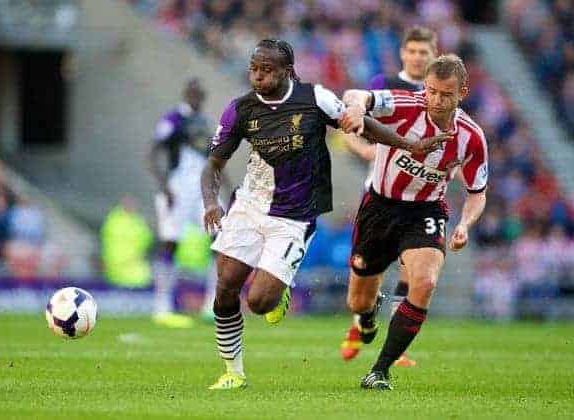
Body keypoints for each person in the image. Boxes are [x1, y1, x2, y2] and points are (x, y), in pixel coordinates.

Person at [201, 38, 449, 390]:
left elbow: (358, 123)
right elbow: (213, 163)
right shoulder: (240, 109)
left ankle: (279, 286)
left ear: (287, 71)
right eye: (254, 69)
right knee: (225, 288)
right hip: (249, 205)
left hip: (294, 215)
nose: (258, 76)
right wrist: (212, 201)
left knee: (258, 302)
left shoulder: (315, 98)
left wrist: (407, 144)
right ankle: (233, 372)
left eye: (267, 70)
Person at [339, 54, 488, 390]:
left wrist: (464, 223)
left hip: (425, 212)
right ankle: (366, 317)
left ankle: (380, 370)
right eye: (432, 91)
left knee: (425, 282)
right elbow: (355, 95)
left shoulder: (471, 137)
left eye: (446, 94)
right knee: (358, 300)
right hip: (379, 208)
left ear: (462, 93)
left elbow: (477, 192)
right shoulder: (404, 104)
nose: (437, 100)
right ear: (425, 87)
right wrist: (359, 109)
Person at [341, 26, 438, 367]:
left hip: (420, 199)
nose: (417, 57)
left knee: (412, 271)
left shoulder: (438, 94)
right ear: (402, 53)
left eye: (423, 52)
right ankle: (363, 318)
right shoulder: (384, 86)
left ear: (433, 56)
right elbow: (347, 122)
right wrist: (365, 149)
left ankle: (398, 350)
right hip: (380, 193)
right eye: (412, 51)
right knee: (366, 285)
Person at [148, 78, 217, 327]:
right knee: (170, 243)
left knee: (219, 239)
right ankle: (162, 306)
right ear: (186, 93)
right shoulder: (173, 119)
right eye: (193, 93)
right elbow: (152, 153)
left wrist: (227, 186)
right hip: (177, 188)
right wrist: (164, 187)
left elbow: (213, 158)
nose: (197, 97)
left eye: (200, 93)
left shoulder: (206, 123)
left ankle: (213, 303)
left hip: (202, 189)